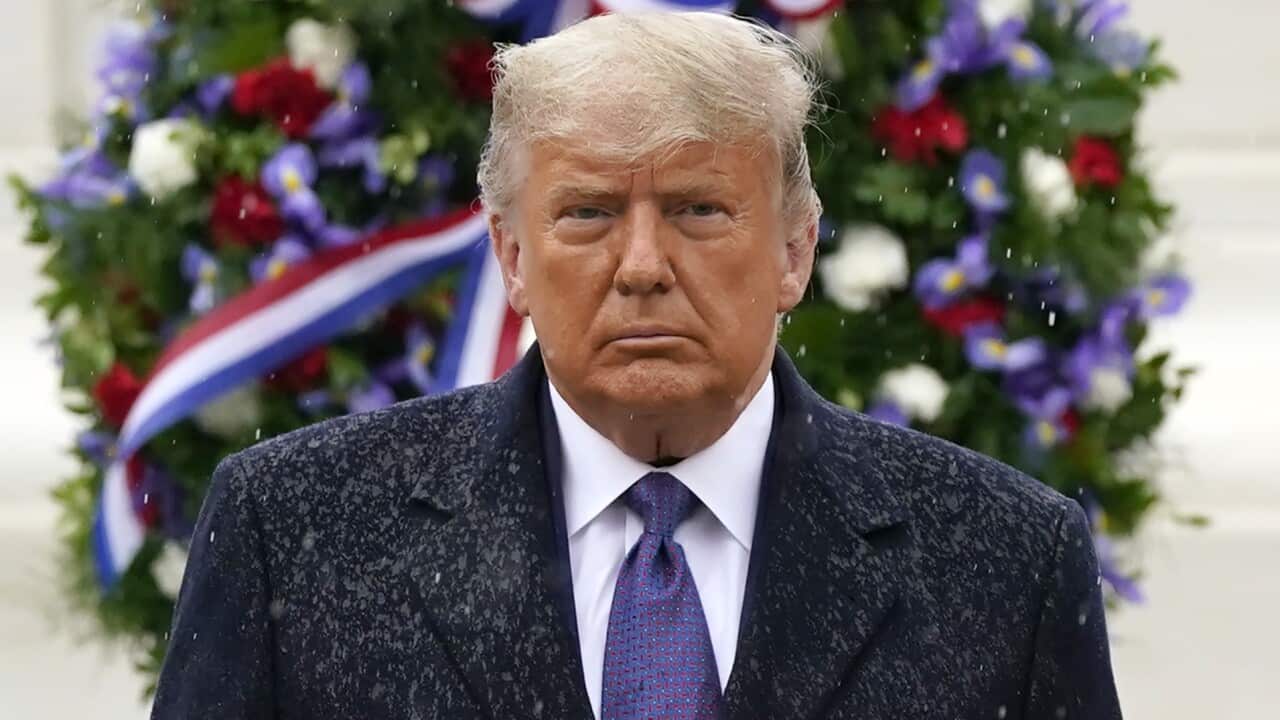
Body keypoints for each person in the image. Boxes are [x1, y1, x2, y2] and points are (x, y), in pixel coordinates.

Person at [151, 10, 1123, 720]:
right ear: (512, 256)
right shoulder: (295, 531)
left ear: (794, 250)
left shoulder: (1001, 561)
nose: (644, 267)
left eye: (698, 209)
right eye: (587, 214)